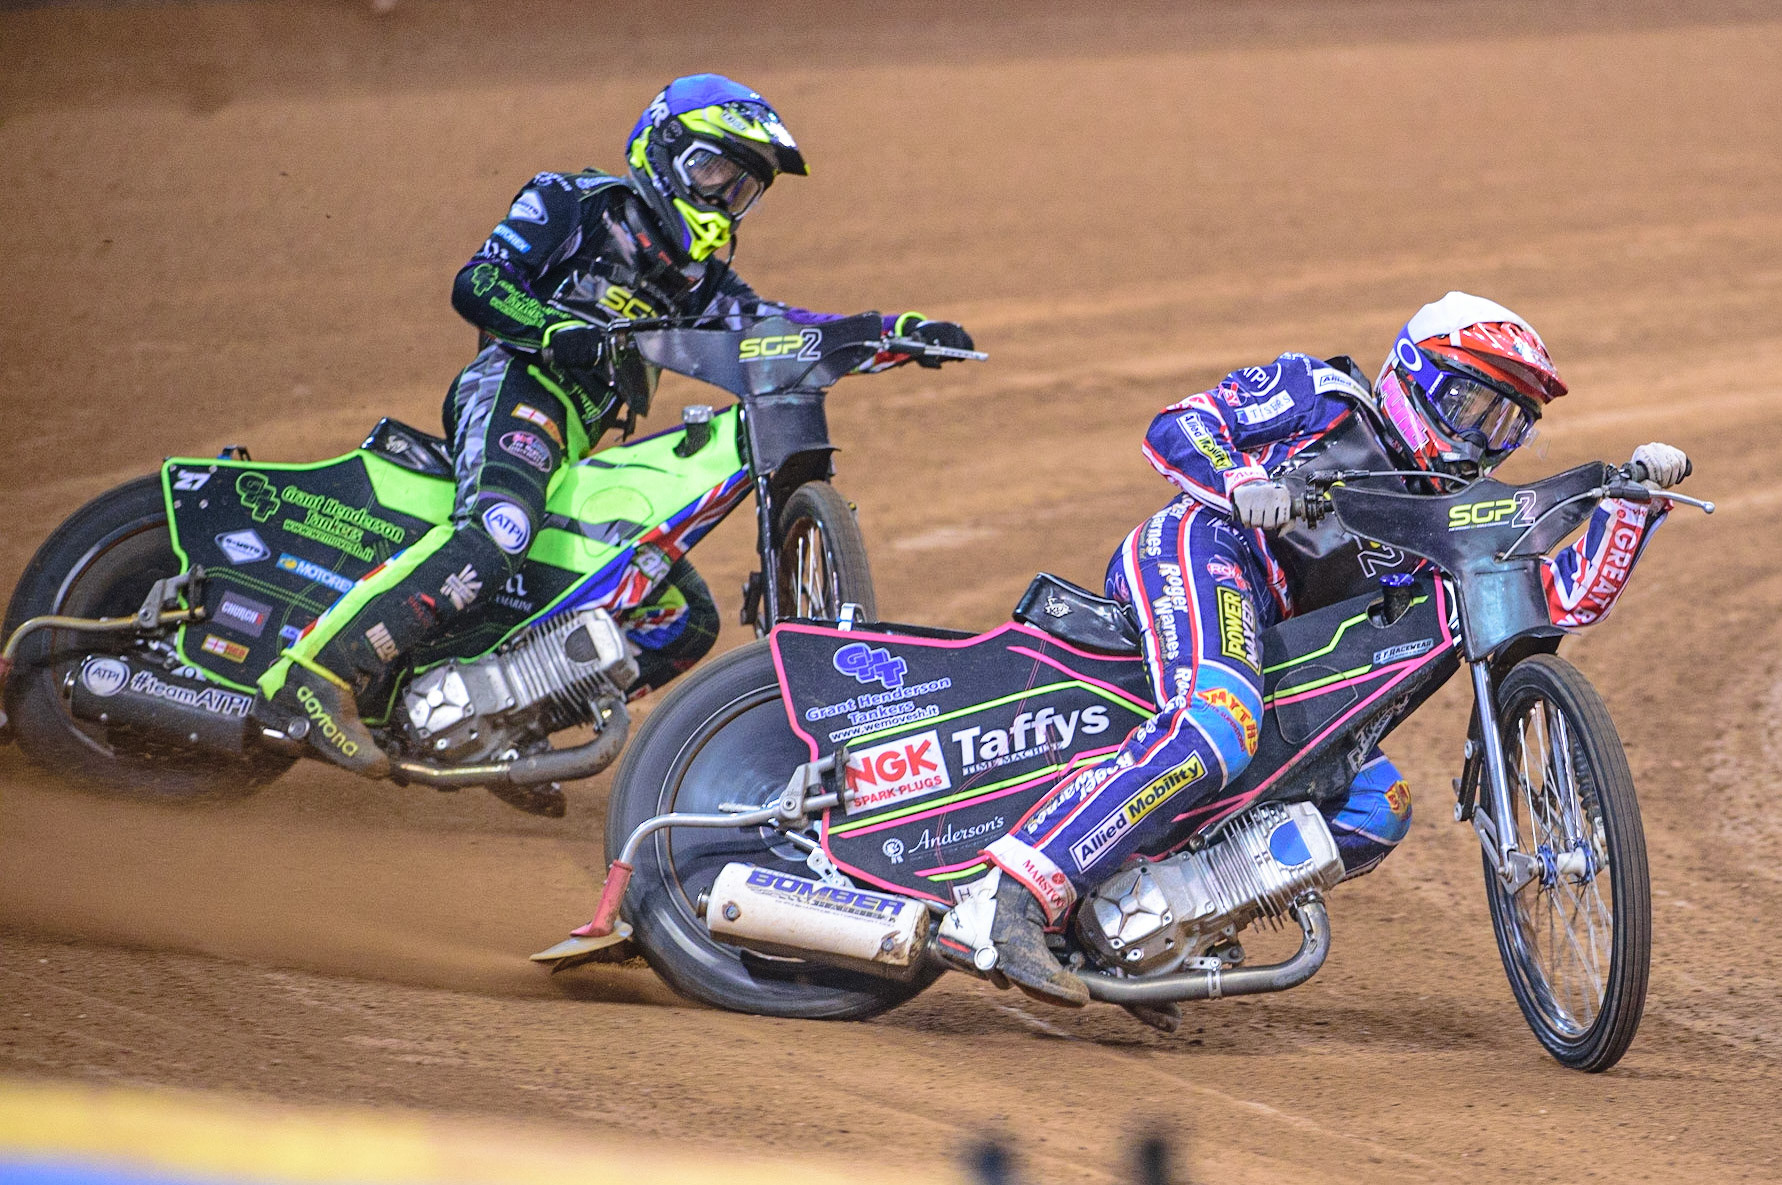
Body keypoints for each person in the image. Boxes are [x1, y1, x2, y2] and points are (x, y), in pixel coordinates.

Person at [254, 74, 972, 810]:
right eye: (712, 170)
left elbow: (777, 328)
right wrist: (551, 329)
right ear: (662, 151)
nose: (723, 197)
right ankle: (318, 675)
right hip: (518, 387)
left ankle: (508, 729)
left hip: (576, 445)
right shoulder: (574, 202)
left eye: (742, 187)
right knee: (499, 530)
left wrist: (888, 333)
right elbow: (478, 283)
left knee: (682, 619)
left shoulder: (697, 279)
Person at [970, 291, 1689, 1007]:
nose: (1480, 439)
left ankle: (1154, 929)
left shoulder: (1456, 518)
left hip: (1285, 645)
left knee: (1380, 804)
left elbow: (1560, 597)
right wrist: (1242, 480)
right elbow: (1179, 423)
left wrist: (1634, 504)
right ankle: (1016, 897)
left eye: (1507, 425)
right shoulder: (1323, 395)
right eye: (1471, 406)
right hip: (1206, 549)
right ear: (1413, 378)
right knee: (1218, 720)